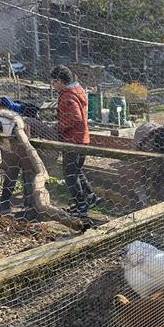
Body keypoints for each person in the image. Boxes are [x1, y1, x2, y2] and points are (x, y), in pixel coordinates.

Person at [50, 65, 100, 216]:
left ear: (59, 80)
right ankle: (91, 196)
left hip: (73, 140)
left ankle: (81, 206)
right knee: (76, 170)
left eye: (53, 82)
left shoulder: (67, 95)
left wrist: (59, 126)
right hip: (82, 137)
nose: (53, 85)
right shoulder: (78, 90)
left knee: (69, 174)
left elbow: (76, 117)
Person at [0, 91, 37, 218]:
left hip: (27, 145)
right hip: (13, 149)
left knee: (28, 176)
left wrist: (2, 161)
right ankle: (5, 205)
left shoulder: (6, 118)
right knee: (11, 174)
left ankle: (31, 208)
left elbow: (13, 137)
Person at [124, 122, 164, 210]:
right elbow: (135, 177)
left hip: (160, 161)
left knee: (161, 185)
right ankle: (135, 213)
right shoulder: (144, 147)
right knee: (138, 199)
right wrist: (143, 199)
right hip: (142, 166)